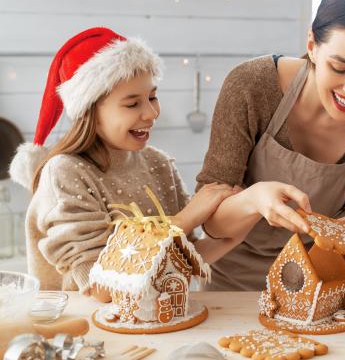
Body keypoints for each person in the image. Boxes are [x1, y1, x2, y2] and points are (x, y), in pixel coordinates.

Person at [196, 0, 345, 290]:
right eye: (339, 67)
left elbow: (344, 245)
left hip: (315, 288)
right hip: (227, 285)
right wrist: (254, 199)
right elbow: (211, 221)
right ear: (311, 45)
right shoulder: (252, 87)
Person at [10, 27, 241, 298]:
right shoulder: (65, 172)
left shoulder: (158, 163)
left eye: (152, 97)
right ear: (90, 112)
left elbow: (183, 257)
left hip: (156, 321)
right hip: (87, 330)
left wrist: (243, 222)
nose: (151, 113)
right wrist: (184, 220)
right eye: (132, 104)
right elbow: (101, 288)